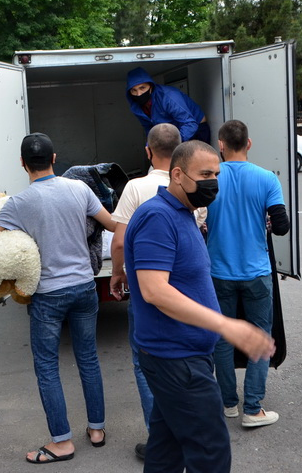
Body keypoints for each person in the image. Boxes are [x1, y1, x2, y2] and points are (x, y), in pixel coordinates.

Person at [123, 140, 275, 473]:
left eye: (216, 174)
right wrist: (226, 325)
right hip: (176, 361)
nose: (212, 182)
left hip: (184, 358)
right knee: (211, 454)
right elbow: (154, 291)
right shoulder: (157, 217)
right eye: (204, 174)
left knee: (165, 449)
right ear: (177, 174)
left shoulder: (183, 213)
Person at [0, 133, 116, 464]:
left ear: (22, 164)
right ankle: (97, 430)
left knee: (47, 366)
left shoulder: (18, 203)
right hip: (84, 287)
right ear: (54, 159)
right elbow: (110, 224)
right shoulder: (80, 189)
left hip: (49, 295)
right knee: (89, 359)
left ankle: (62, 442)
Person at [207, 120, 289, 428]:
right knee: (260, 337)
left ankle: (229, 403)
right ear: (249, 144)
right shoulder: (267, 178)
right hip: (256, 272)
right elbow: (281, 226)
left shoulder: (211, 178)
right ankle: (253, 409)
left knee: (223, 338)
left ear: (221, 145)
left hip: (218, 272)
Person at [109, 123, 183, 460]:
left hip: (146, 289)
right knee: (183, 358)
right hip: (183, 289)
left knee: (145, 362)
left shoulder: (136, 188)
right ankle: (184, 430)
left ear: (148, 151)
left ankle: (160, 440)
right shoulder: (188, 185)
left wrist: (117, 273)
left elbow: (121, 239)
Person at [125, 67, 210, 143]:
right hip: (172, 135)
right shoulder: (135, 106)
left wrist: (172, 145)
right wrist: (150, 145)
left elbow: (190, 124)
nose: (139, 94)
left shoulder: (168, 96)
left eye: (142, 88)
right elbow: (149, 128)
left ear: (150, 86)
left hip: (195, 130)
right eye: (134, 90)